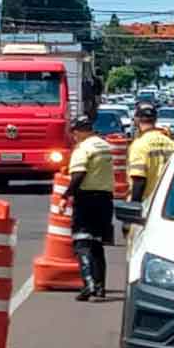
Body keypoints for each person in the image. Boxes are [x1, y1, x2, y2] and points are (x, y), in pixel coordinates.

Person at [61, 117, 114, 301]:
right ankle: (100, 287)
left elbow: (78, 175)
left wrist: (65, 196)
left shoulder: (83, 149)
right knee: (97, 245)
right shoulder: (105, 146)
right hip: (105, 199)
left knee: (82, 243)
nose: (74, 136)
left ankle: (89, 284)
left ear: (80, 131)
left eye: (74, 132)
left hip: (86, 199)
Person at [127, 102, 174, 203]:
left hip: (147, 204)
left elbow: (139, 180)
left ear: (137, 120)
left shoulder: (139, 145)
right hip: (167, 204)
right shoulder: (172, 145)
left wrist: (134, 207)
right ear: (155, 120)